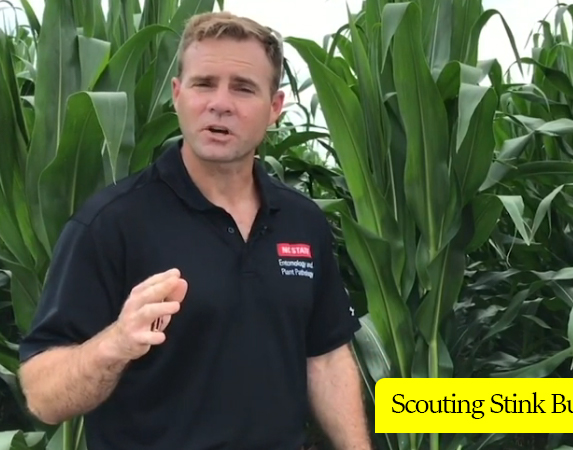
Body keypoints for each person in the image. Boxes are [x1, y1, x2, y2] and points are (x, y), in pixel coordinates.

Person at [17, 11, 371, 450]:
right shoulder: (112, 223)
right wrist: (116, 343)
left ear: (274, 109)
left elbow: (325, 357)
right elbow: (41, 394)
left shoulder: (303, 221)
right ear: (178, 95)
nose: (220, 103)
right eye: (204, 84)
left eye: (243, 88)